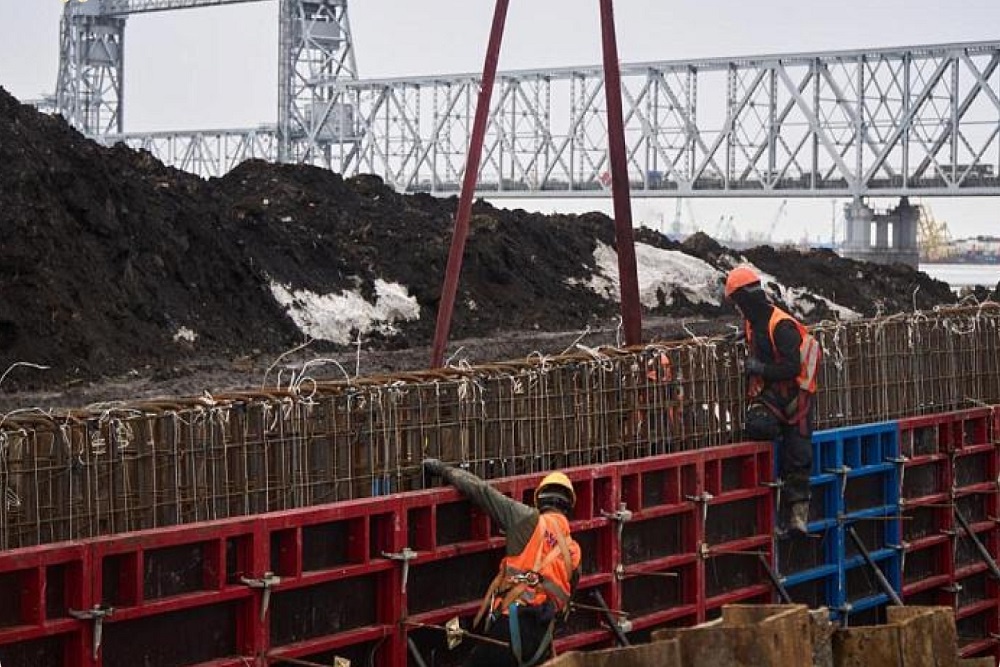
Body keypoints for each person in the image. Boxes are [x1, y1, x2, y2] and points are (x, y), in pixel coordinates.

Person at [422, 460, 582, 667]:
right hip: (541, 638)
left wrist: (442, 470)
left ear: (540, 500)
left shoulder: (526, 519)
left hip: (510, 627)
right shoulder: (574, 552)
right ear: (568, 507)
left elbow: (482, 491)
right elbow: (566, 604)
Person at [724, 266, 821, 535]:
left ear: (745, 300)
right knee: (758, 427)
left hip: (796, 397)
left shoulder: (783, 327)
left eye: (737, 303)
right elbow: (757, 334)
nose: (737, 310)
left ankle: (798, 515)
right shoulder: (754, 322)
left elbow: (791, 367)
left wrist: (760, 369)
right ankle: (773, 503)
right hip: (772, 397)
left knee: (799, 454)